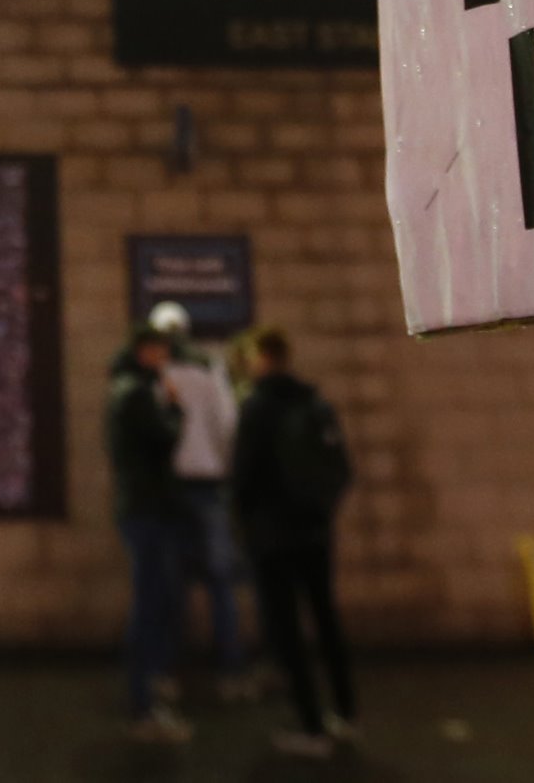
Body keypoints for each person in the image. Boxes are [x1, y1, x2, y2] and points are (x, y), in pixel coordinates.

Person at [229, 328, 358, 761]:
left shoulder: (257, 407)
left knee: (287, 632)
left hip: (272, 535)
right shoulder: (314, 403)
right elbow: (341, 468)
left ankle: (311, 726)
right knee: (325, 620)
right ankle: (346, 713)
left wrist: (244, 524)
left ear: (262, 357)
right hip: (315, 531)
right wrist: (320, 513)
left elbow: (244, 476)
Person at [148, 301, 254, 698]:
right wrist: (224, 469)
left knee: (169, 580)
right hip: (208, 483)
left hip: (169, 486)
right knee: (220, 579)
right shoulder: (210, 367)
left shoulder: (155, 372)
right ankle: (230, 669)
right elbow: (228, 425)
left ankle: (167, 671)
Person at [105, 320, 194, 743]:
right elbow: (166, 439)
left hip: (142, 508)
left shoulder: (123, 389)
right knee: (149, 603)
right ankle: (144, 705)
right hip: (149, 510)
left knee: (155, 599)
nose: (166, 359)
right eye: (160, 351)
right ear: (144, 351)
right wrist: (176, 409)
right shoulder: (138, 394)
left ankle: (150, 689)